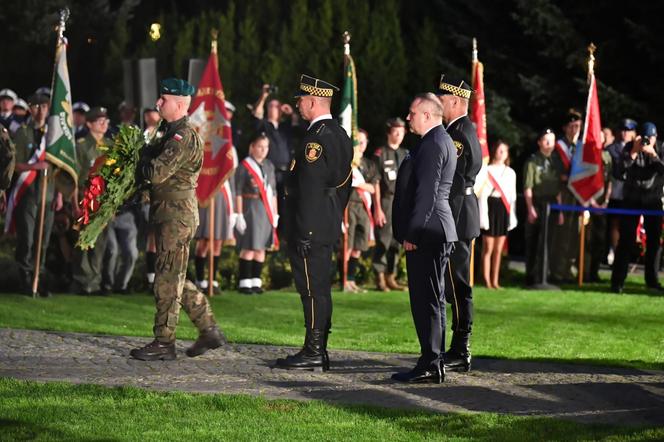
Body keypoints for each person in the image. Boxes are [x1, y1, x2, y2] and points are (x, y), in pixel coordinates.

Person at [130, 78, 226, 361]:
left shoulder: (182, 136)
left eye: (164, 99)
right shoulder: (169, 132)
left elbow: (156, 172)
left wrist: (137, 162)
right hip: (169, 213)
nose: (158, 103)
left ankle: (164, 342)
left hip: (177, 216)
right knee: (175, 276)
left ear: (181, 104)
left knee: (166, 278)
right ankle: (209, 330)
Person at [274, 74, 353, 372]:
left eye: (301, 100)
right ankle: (317, 348)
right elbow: (343, 186)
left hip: (311, 226)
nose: (297, 105)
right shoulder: (339, 134)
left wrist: (305, 229)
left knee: (312, 289)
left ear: (313, 101)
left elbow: (309, 188)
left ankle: (314, 350)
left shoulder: (316, 139)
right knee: (319, 288)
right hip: (326, 222)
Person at [391, 93, 457, 384]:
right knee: (433, 298)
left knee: (426, 299)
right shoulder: (438, 140)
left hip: (428, 231)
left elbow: (427, 194)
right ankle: (433, 359)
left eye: (412, 113)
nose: (409, 118)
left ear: (428, 115)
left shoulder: (432, 144)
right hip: (436, 229)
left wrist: (413, 233)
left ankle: (431, 362)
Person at [436, 76, 482, 373]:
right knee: (453, 284)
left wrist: (442, 219)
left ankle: (461, 348)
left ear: (454, 101)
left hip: (457, 215)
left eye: (441, 99)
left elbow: (456, 182)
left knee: (458, 285)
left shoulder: (459, 134)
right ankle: (456, 347)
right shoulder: (459, 129)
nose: (438, 104)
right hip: (459, 213)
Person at [9, 93, 63, 296]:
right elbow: (14, 166)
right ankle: (24, 280)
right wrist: (35, 166)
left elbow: (59, 168)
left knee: (44, 241)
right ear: (29, 108)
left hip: (48, 194)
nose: (40, 110)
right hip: (28, 194)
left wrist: (58, 195)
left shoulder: (53, 135)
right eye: (35, 106)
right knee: (27, 240)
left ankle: (37, 281)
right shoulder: (23, 133)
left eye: (44, 106)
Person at [611, 122, 664, 293]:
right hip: (631, 200)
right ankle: (617, 282)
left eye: (652, 138)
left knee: (654, 243)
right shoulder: (629, 147)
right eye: (646, 138)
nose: (648, 141)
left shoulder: (661, 148)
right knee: (625, 240)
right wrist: (633, 153)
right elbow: (618, 173)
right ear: (639, 137)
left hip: (653, 200)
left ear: (657, 138)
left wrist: (654, 155)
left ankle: (652, 281)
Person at [69, 107, 112, 295]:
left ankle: (95, 281)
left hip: (103, 200)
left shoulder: (111, 145)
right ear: (89, 124)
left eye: (106, 120)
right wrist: (73, 203)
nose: (104, 124)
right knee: (83, 239)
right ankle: (82, 281)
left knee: (100, 242)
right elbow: (74, 177)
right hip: (85, 199)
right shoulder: (81, 145)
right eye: (99, 121)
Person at [235, 132, 278, 294]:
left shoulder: (269, 165)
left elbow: (273, 191)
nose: (263, 150)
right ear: (252, 147)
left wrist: (275, 213)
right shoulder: (244, 166)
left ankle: (255, 281)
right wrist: (238, 214)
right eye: (259, 146)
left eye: (265, 147)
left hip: (265, 208)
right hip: (250, 207)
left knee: (262, 246)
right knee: (249, 244)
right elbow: (237, 191)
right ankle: (244, 282)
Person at [523, 128, 564, 287]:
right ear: (540, 142)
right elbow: (528, 188)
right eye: (546, 140)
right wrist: (530, 208)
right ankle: (531, 277)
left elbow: (559, 188)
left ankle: (545, 275)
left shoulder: (556, 161)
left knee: (549, 241)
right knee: (534, 241)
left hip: (552, 204)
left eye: (552, 141)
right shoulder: (532, 161)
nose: (549, 144)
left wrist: (560, 211)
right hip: (537, 203)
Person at [474, 141, 517, 289]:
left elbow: (512, 197)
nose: (501, 153)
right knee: (488, 248)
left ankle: (495, 280)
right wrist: (483, 216)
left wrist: (512, 216)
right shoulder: (487, 170)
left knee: (499, 250)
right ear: (494, 151)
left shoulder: (511, 173)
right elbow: (482, 195)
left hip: (503, 208)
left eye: (504, 151)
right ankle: (486, 279)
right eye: (499, 150)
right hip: (490, 207)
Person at [372, 117, 408, 291]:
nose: (399, 135)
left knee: (396, 241)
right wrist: (378, 208)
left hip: (401, 202)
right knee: (383, 240)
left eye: (402, 132)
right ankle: (379, 277)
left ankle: (391, 276)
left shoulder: (405, 154)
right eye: (396, 131)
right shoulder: (380, 153)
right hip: (386, 200)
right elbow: (376, 182)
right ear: (389, 132)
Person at [551, 109, 583, 282]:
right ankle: (558, 272)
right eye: (571, 126)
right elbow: (558, 173)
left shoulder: (582, 146)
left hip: (579, 196)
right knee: (561, 235)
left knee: (575, 235)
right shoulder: (559, 147)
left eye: (577, 126)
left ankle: (571, 271)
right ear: (565, 128)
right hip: (563, 194)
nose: (574, 130)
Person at [344, 129, 377, 293]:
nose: (360, 146)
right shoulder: (346, 163)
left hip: (363, 207)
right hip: (349, 206)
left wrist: (359, 185)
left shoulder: (368, 164)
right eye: (358, 142)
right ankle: (344, 281)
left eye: (363, 142)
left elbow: (373, 187)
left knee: (358, 245)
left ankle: (351, 280)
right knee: (347, 245)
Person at [605, 118, 637, 264]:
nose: (625, 133)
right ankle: (614, 250)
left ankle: (625, 254)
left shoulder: (637, 148)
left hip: (632, 194)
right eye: (623, 130)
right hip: (616, 192)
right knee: (615, 224)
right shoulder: (612, 149)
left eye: (628, 130)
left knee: (629, 226)